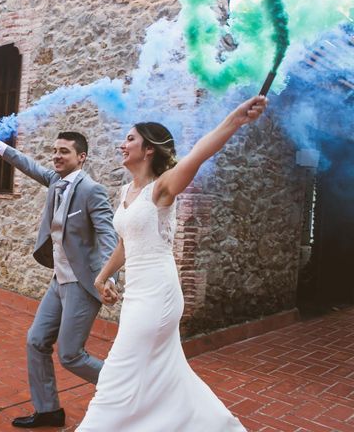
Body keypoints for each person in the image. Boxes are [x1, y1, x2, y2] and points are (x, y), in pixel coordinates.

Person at [76, 95, 268, 431]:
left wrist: (235, 119)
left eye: (130, 139)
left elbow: (199, 154)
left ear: (148, 149)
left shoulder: (162, 189)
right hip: (136, 293)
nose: (123, 145)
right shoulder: (125, 193)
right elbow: (126, 240)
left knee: (117, 373)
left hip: (158, 295)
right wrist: (103, 277)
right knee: (168, 375)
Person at [0, 132, 118, 429]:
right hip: (59, 281)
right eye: (54, 151)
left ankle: (125, 386)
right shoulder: (55, 182)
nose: (56, 156)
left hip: (82, 283)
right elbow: (27, 164)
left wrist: (109, 277)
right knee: (36, 341)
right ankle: (48, 410)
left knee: (70, 355)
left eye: (64, 151)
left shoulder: (92, 190)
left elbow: (107, 236)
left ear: (81, 157)